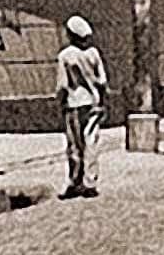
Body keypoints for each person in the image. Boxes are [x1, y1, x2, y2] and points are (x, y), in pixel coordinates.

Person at [56, 16, 108, 200]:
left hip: (74, 103)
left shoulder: (65, 56)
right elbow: (102, 81)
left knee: (75, 145)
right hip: (93, 102)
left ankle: (74, 181)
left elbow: (62, 85)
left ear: (70, 35)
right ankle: (90, 182)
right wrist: (102, 101)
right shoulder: (94, 53)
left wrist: (59, 102)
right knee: (91, 142)